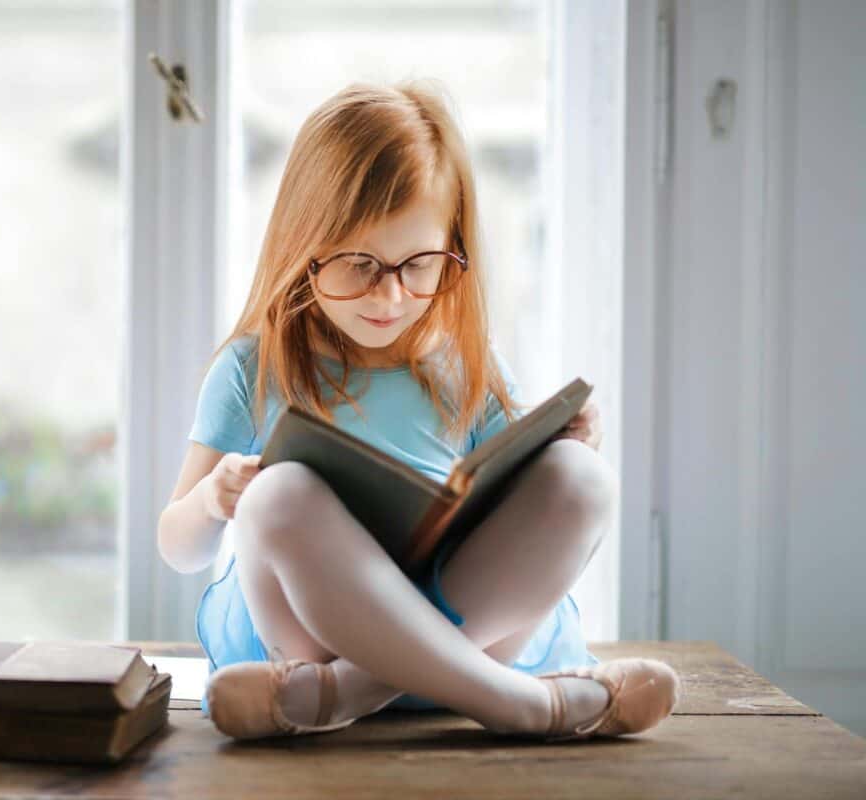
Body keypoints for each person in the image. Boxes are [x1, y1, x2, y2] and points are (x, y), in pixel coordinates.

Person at [157, 80, 680, 742]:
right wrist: (213, 499)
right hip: (307, 639)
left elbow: (527, 496)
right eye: (358, 265)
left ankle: (352, 692)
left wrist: (570, 441)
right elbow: (177, 547)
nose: (392, 295)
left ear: (452, 250)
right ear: (303, 246)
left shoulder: (465, 361)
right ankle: (525, 706)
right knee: (276, 497)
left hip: (446, 639)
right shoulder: (252, 367)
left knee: (582, 477)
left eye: (421, 265)